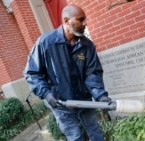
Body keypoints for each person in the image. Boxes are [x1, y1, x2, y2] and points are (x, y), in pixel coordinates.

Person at [23, 4, 111, 141]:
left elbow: (92, 73)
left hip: (84, 101)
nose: (85, 23)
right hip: (61, 103)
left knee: (95, 133)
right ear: (66, 20)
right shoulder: (45, 43)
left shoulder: (87, 46)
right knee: (75, 137)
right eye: (80, 19)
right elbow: (32, 73)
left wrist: (100, 95)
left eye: (85, 19)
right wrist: (46, 94)